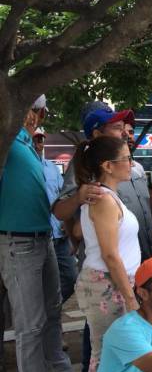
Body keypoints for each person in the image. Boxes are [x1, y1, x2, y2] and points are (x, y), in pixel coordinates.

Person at [0, 94, 83, 372]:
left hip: (41, 238)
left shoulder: (23, 142)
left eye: (39, 111)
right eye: (34, 110)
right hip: (17, 242)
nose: (36, 117)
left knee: (51, 313)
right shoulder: (6, 139)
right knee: (30, 327)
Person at [72, 136, 142, 372]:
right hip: (107, 285)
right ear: (107, 166)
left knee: (120, 350)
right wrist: (130, 297)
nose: (131, 164)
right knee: (105, 353)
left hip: (116, 283)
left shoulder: (108, 196)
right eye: (126, 159)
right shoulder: (103, 199)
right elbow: (110, 255)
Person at [53, 106, 152, 262]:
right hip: (111, 270)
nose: (125, 133)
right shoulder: (85, 165)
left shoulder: (134, 167)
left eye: (125, 128)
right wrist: (78, 198)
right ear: (97, 134)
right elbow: (61, 212)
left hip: (144, 261)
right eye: (117, 128)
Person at [34, 129, 77, 303]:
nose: (38, 144)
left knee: (71, 277)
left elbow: (64, 196)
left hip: (60, 235)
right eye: (34, 140)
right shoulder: (21, 168)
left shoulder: (52, 168)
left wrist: (69, 222)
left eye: (40, 140)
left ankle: (51, 309)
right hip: (39, 237)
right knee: (42, 282)